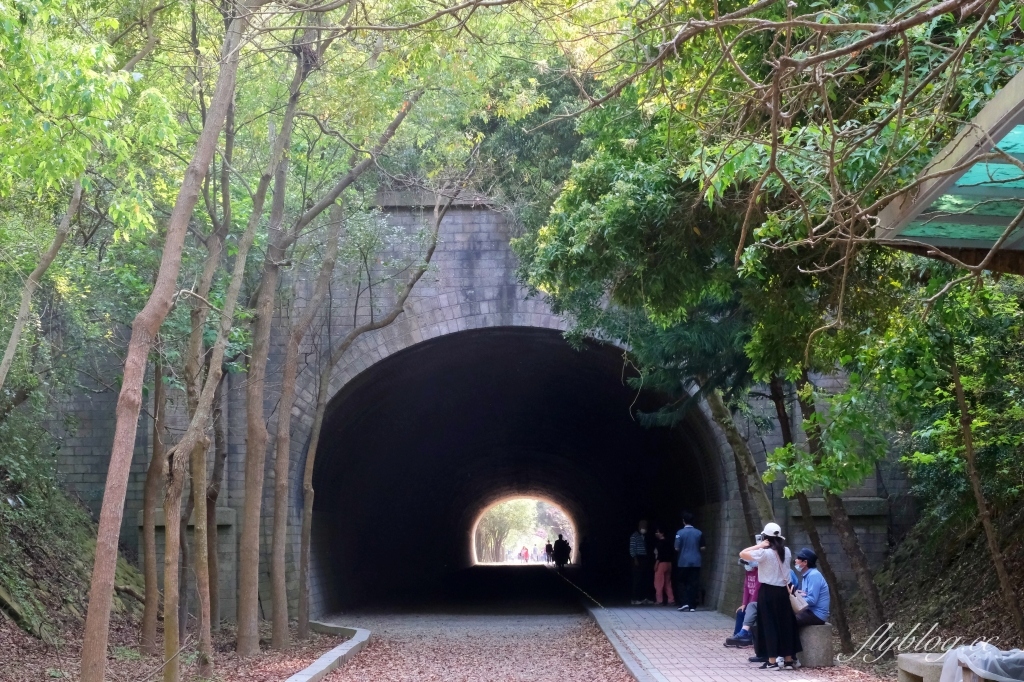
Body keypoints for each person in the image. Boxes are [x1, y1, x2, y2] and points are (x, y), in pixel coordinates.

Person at [740, 523, 801, 670]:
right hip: (783, 592)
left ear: (766, 537)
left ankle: (772, 661)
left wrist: (759, 545)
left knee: (769, 626)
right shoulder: (786, 551)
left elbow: (743, 553)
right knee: (786, 625)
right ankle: (788, 660)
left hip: (767, 592)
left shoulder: (764, 553)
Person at [724, 554, 760, 647]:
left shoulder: (758, 572)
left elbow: (757, 589)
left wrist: (750, 605)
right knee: (741, 612)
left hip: (756, 603)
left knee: (749, 614)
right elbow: (746, 588)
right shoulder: (748, 572)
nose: (746, 566)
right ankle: (736, 636)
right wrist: (744, 604)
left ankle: (746, 637)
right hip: (750, 603)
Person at [674, 511, 705, 611]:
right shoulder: (699, 533)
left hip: (683, 561)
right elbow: (703, 547)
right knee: (693, 583)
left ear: (683, 521)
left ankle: (684, 602)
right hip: (696, 561)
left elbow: (676, 548)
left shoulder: (679, 533)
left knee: (682, 582)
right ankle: (692, 605)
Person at [793, 547, 830, 626]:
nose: (795, 560)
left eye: (798, 558)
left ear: (805, 562)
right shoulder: (806, 576)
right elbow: (806, 595)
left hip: (817, 614)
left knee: (789, 621)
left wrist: (796, 599)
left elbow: (812, 600)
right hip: (810, 611)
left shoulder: (814, 575)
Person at [629, 520, 653, 605]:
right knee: (637, 580)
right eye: (643, 527)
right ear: (639, 527)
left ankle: (643, 597)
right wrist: (635, 559)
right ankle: (634, 599)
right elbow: (632, 549)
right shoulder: (634, 536)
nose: (644, 529)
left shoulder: (644, 536)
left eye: (645, 527)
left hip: (644, 558)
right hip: (637, 558)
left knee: (644, 579)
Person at [652, 527, 676, 606]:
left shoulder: (660, 543)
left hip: (661, 564)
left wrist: (656, 564)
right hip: (669, 564)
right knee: (667, 583)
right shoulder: (669, 542)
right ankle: (671, 599)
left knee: (658, 583)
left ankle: (659, 600)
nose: (656, 533)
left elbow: (660, 555)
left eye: (658, 532)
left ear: (662, 533)